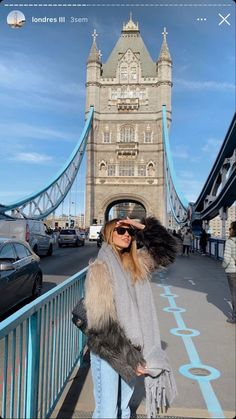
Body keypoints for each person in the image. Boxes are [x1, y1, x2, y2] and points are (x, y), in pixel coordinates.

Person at [84, 216, 177, 419]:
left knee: (124, 408)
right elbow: (103, 325)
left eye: (130, 232)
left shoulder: (137, 265)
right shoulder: (100, 267)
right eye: (121, 231)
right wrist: (130, 360)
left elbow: (167, 252)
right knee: (107, 411)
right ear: (109, 234)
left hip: (133, 347)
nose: (127, 235)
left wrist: (143, 227)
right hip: (110, 350)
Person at [222, 221, 236, 324]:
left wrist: (223, 266)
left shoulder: (230, 241)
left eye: (230, 228)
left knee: (234, 294)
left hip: (232, 271)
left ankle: (234, 317)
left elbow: (226, 259)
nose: (229, 230)